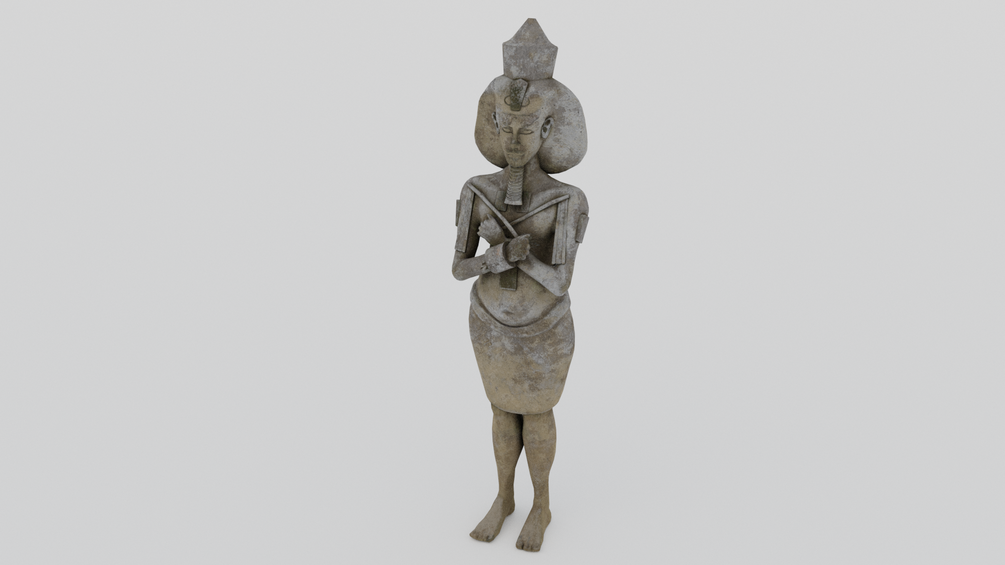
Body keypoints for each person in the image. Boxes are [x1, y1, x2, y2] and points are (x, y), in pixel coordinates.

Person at [451, 19, 589, 553]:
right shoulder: (476, 190)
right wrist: (490, 259)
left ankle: (541, 504)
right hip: (489, 320)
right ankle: (504, 496)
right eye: (505, 127)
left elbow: (559, 280)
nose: (513, 141)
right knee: (500, 410)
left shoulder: (566, 200)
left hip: (543, 327)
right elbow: (458, 268)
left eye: (526, 129)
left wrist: (516, 256)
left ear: (548, 129)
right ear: (492, 123)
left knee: (536, 414)